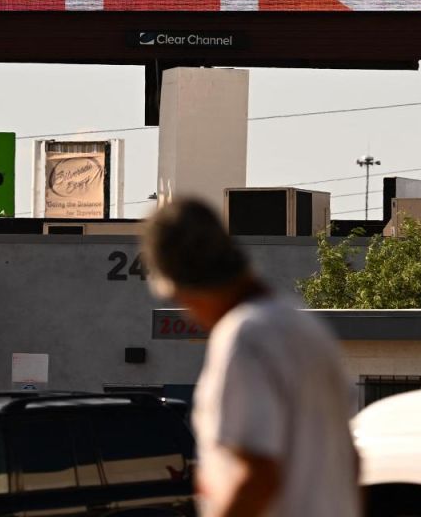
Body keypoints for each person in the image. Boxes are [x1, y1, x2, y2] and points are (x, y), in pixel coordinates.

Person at [142, 198, 360, 517]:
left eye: (179, 300)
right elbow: (351, 462)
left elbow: (259, 476)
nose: (188, 315)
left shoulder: (244, 337)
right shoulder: (305, 325)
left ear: (186, 284)